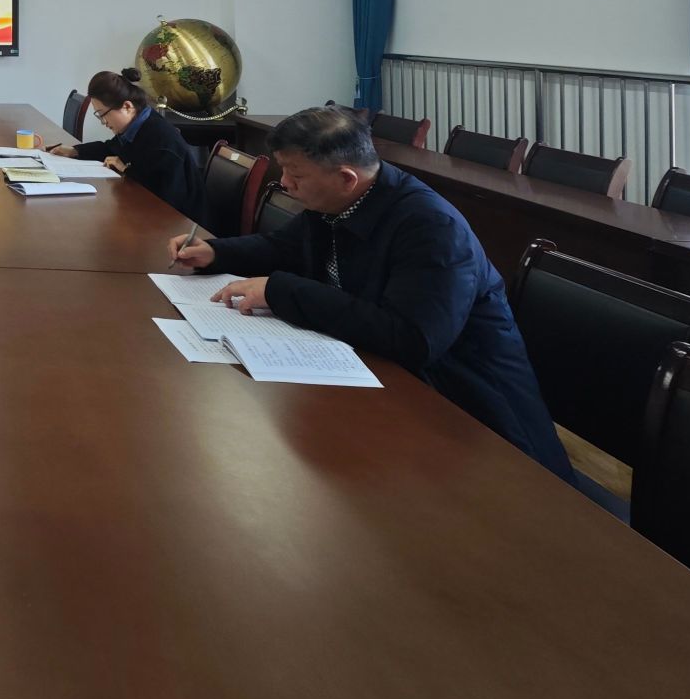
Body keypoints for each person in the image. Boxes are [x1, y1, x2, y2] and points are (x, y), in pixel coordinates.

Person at [167, 106, 572, 479]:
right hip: (384, 383)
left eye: (295, 174)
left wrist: (281, 291)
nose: (284, 183)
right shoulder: (341, 201)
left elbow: (412, 339)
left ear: (346, 177)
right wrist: (215, 253)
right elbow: (283, 247)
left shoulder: (431, 229)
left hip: (473, 417)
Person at [49, 68, 202, 218]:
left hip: (183, 222)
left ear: (127, 107)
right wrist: (74, 151)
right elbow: (110, 148)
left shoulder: (161, 140)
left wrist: (126, 169)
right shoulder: (136, 125)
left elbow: (164, 196)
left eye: (103, 114)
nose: (103, 122)